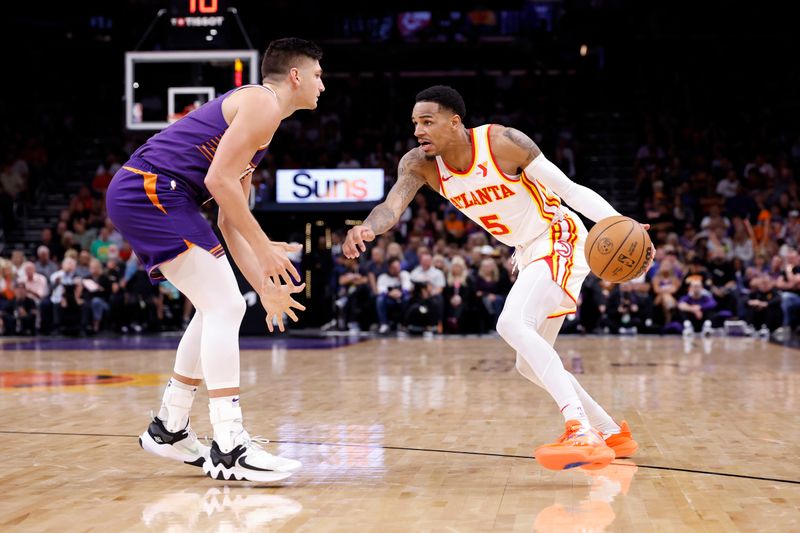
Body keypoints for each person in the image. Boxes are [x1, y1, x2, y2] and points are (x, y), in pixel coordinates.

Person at [343, 86, 652, 471]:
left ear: (454, 122)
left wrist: (615, 221)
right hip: (527, 251)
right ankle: (610, 433)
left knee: (510, 323)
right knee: (528, 364)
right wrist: (368, 229)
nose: (418, 131)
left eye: (427, 121)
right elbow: (391, 206)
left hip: (558, 236)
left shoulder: (502, 142)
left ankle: (580, 429)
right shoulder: (419, 164)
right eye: (414, 124)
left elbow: (569, 190)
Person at [106, 38, 324, 482]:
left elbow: (229, 220)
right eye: (319, 74)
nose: (324, 84)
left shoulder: (262, 123)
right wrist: (265, 250)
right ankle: (230, 445)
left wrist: (265, 288)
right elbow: (218, 180)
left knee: (219, 306)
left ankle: (170, 425)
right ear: (296, 76)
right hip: (150, 189)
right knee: (225, 306)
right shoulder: (262, 103)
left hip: (157, 194)